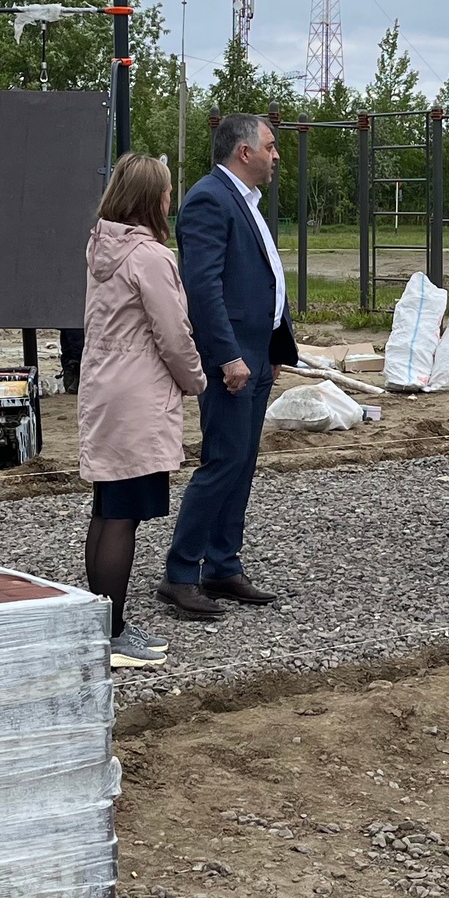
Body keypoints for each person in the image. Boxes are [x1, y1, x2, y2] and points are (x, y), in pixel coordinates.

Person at [158, 113, 298, 618]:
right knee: (222, 463)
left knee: (241, 464)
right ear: (245, 151)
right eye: (271, 145)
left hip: (256, 355)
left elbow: (262, 280)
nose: (276, 154)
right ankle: (181, 573)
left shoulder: (246, 202)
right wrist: (228, 355)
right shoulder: (208, 201)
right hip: (232, 359)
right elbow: (204, 288)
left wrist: (272, 349)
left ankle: (222, 564)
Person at [78, 153, 208, 669]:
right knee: (124, 517)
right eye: (168, 191)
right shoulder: (150, 257)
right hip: (137, 397)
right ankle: (111, 637)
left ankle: (100, 625)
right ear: (154, 198)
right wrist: (194, 380)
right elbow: (173, 334)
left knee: (107, 509)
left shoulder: (101, 248)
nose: (171, 199)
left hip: (105, 391)